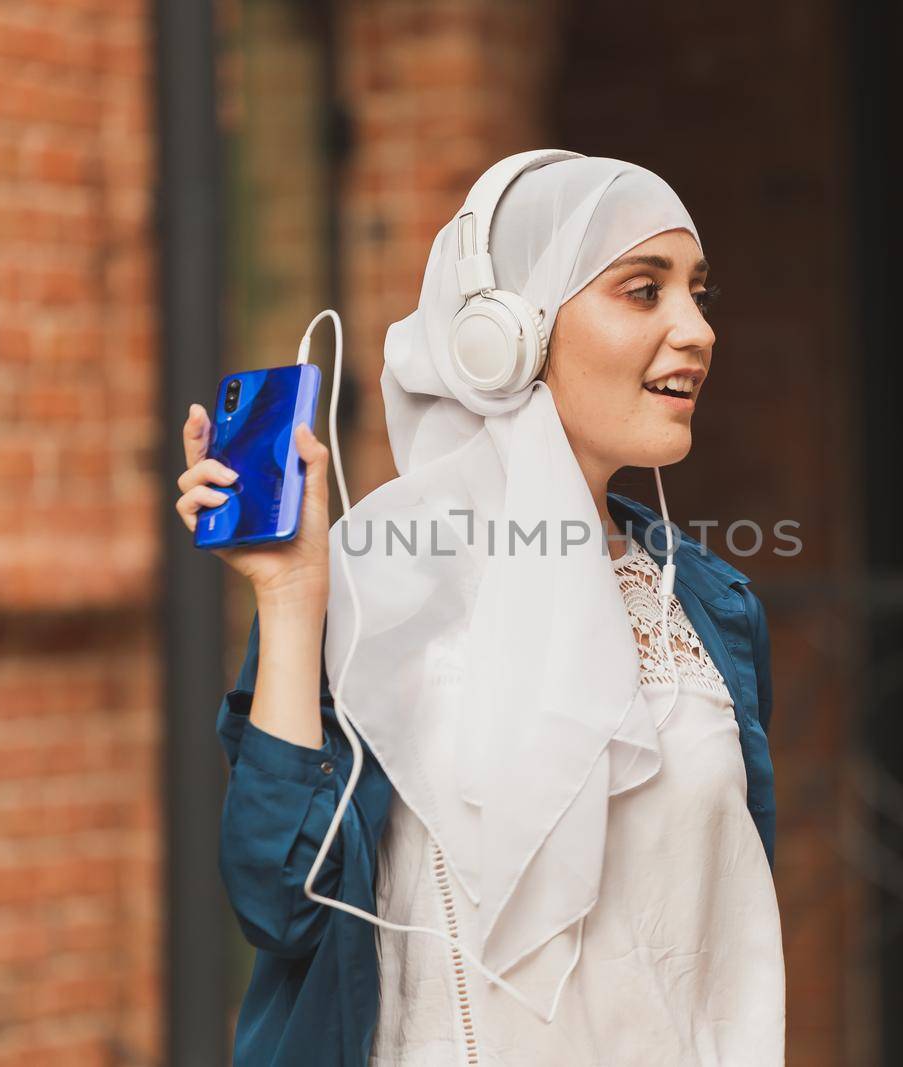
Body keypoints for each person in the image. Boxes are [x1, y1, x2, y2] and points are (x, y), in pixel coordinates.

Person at [174, 152, 783, 1066]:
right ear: (506, 333)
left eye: (698, 292)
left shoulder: (713, 607)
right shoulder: (371, 587)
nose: (695, 328)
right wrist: (295, 598)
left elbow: (727, 937)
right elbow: (281, 899)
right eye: (642, 290)